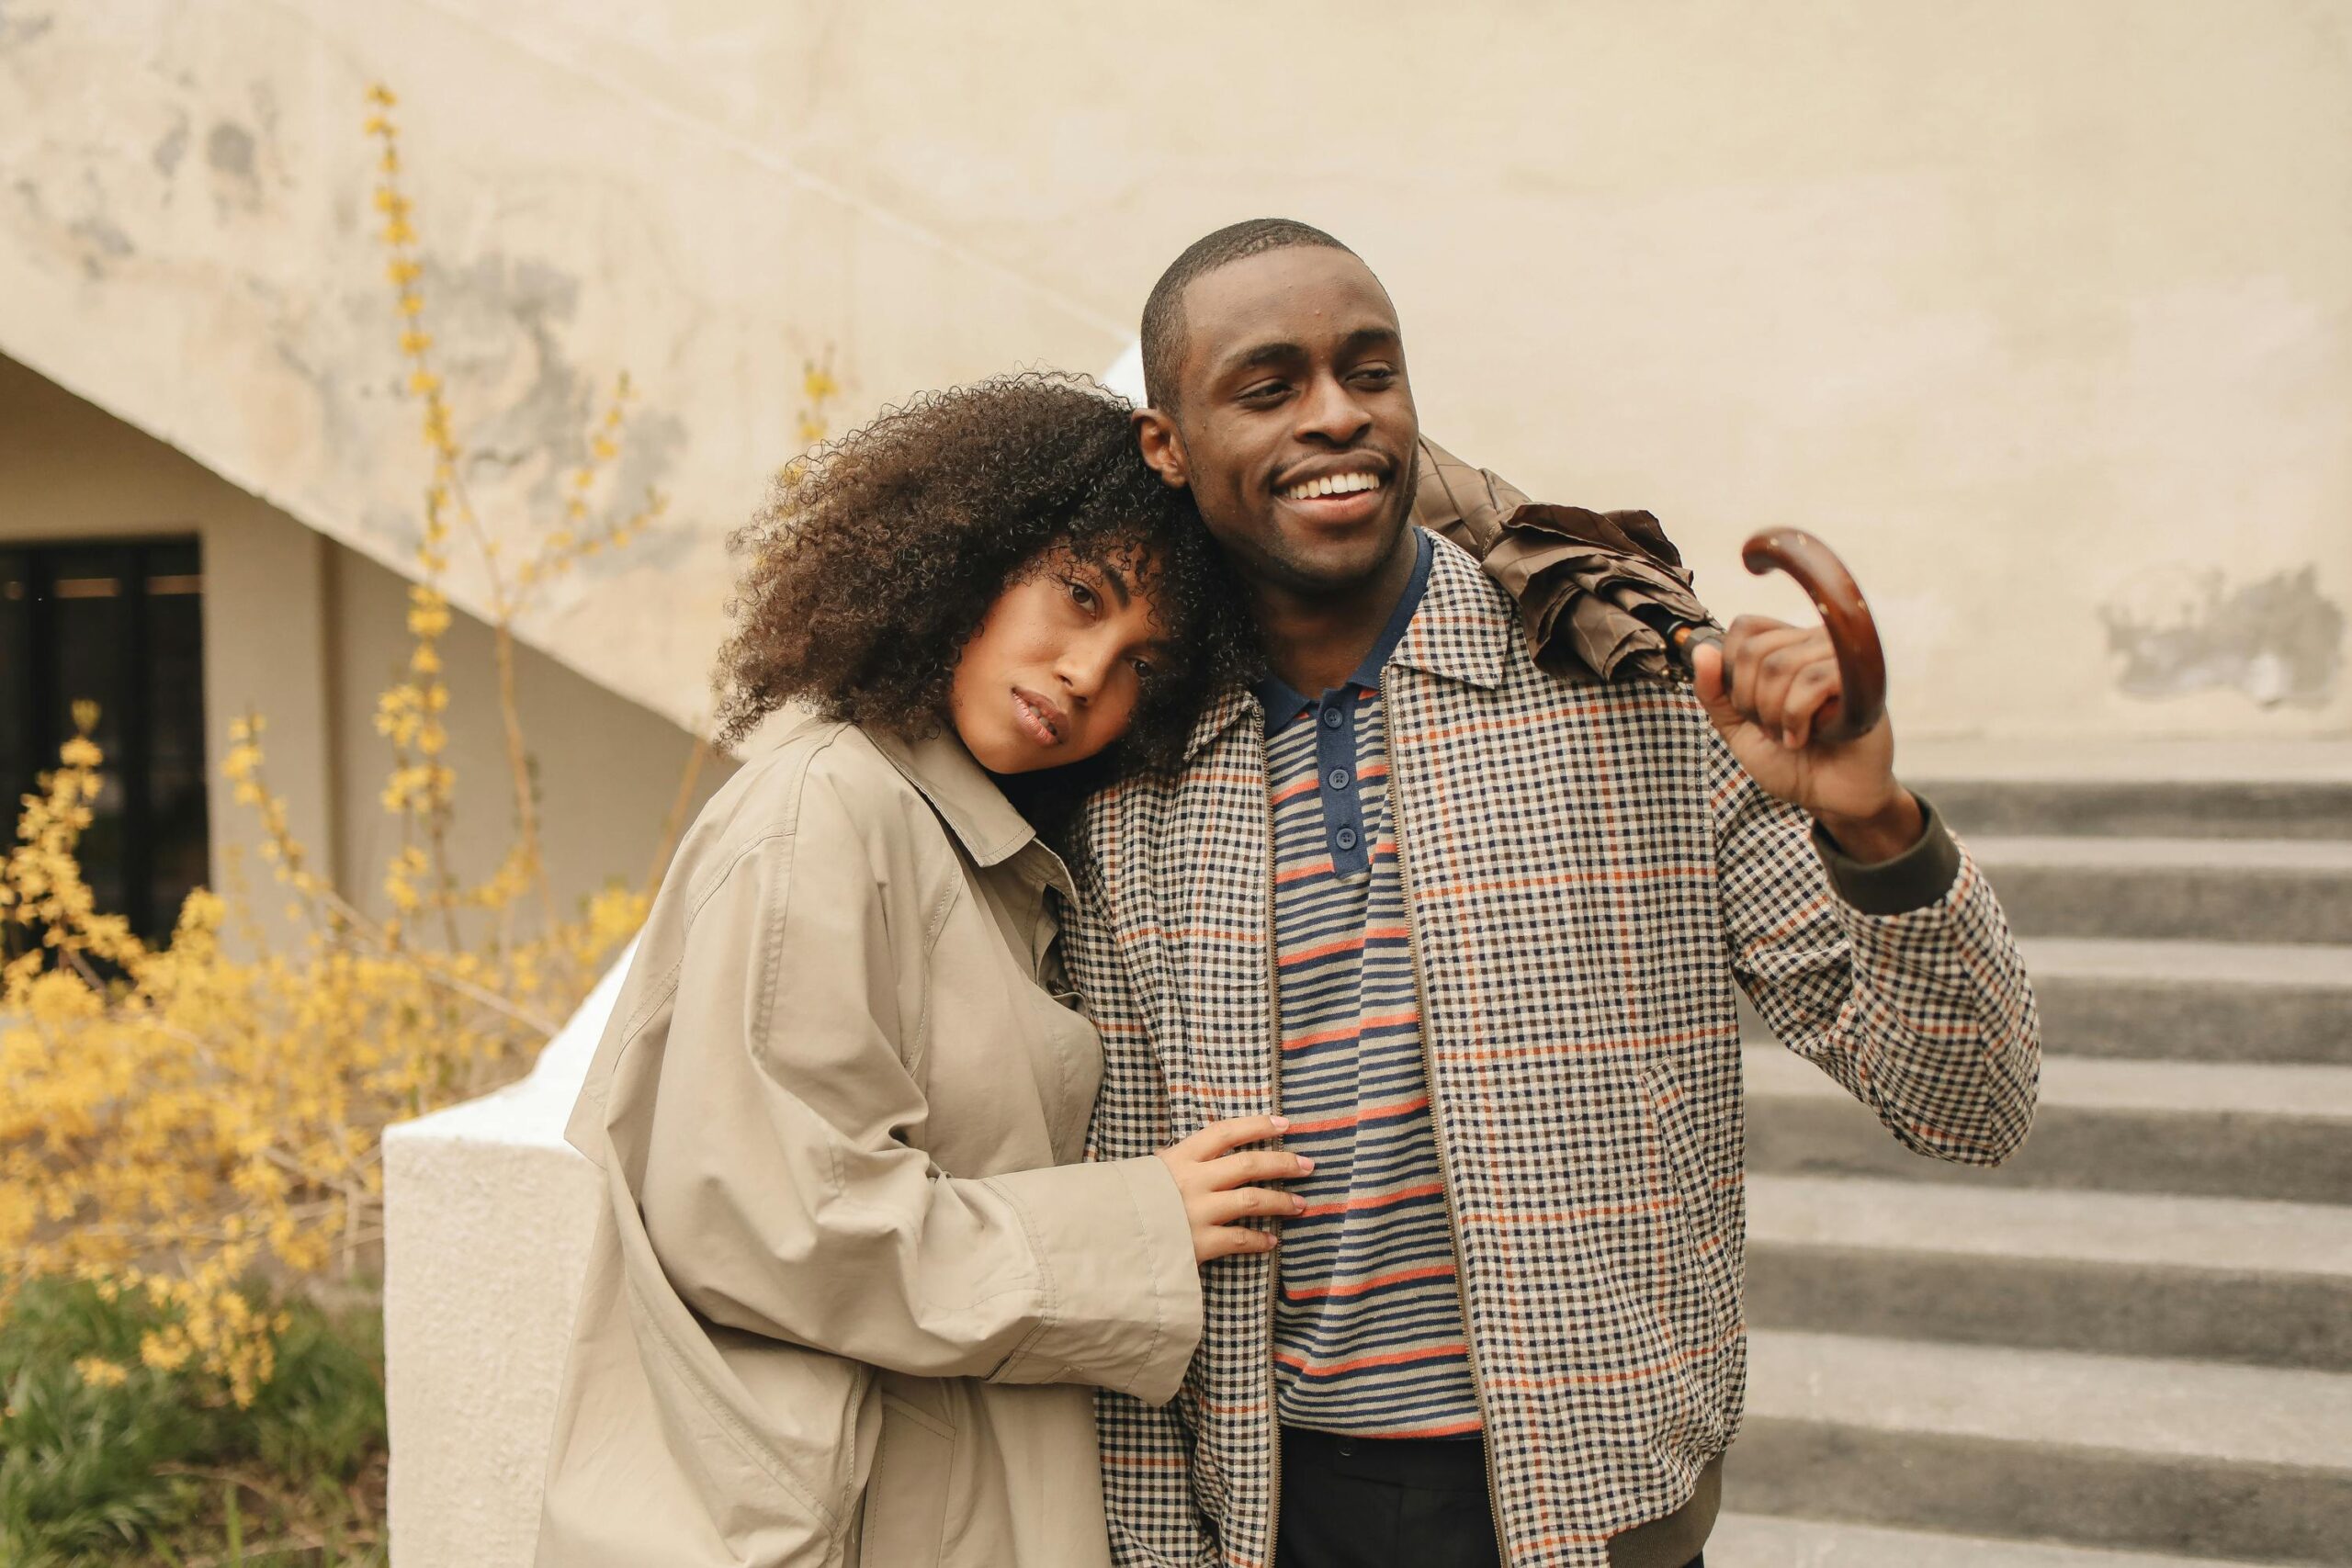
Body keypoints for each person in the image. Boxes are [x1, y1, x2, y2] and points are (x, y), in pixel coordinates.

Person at [1066, 221, 2041, 1568]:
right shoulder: (1131, 775)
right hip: (1276, 1517)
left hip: (1603, 1514)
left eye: (1372, 369)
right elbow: (1114, 1196)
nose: (1339, 415)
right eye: (1269, 385)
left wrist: (1872, 822)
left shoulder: (1634, 691)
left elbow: (1972, 1102)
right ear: (1167, 445)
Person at [535, 374, 1315, 1568]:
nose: (1083, 675)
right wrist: (1142, 1222)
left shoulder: (977, 854)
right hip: (836, 1520)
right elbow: (777, 1224)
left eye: (1141, 671)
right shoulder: (827, 816)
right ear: (970, 554)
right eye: (1079, 596)